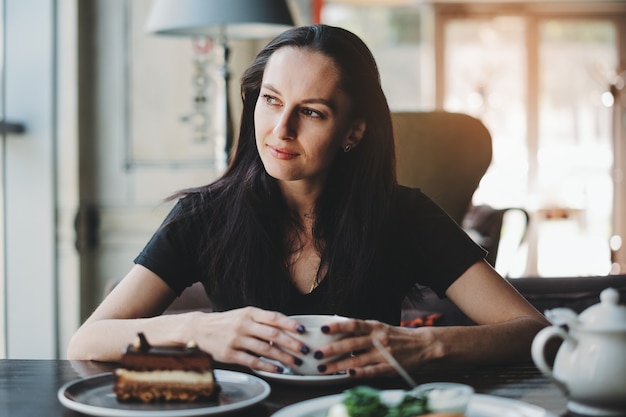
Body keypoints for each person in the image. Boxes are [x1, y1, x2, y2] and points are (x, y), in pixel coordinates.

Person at [67, 24, 548, 378]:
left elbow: (532, 331)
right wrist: (198, 331)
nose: (281, 130)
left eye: (311, 112)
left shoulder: (404, 214)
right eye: (271, 100)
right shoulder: (203, 216)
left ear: (353, 131)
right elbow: (88, 340)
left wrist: (420, 346)